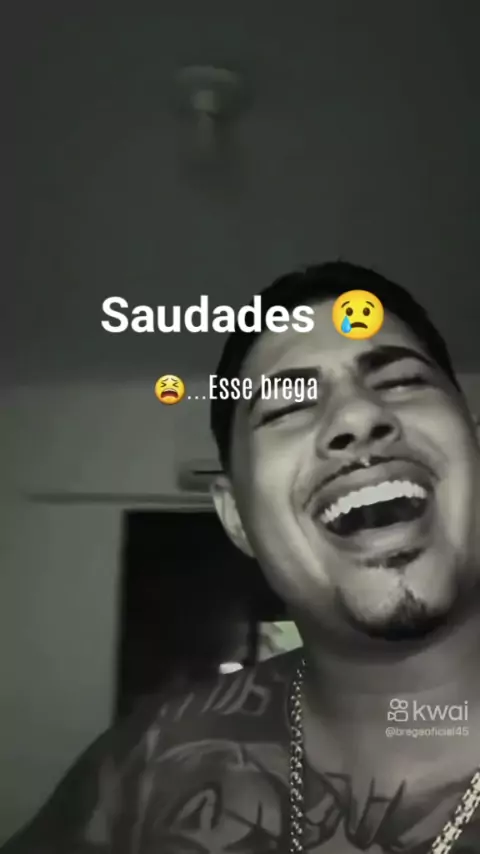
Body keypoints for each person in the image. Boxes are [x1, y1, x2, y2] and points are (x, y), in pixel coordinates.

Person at [3, 261, 480, 853]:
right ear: (236, 518)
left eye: (402, 381)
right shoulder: (146, 769)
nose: (358, 416)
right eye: (285, 409)